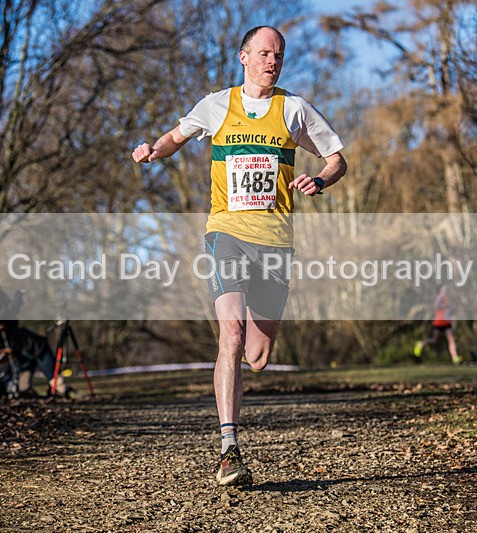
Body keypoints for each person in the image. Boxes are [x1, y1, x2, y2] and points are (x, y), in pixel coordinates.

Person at [132, 26, 346, 486]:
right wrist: (154, 151)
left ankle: (252, 349)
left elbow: (337, 158)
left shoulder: (294, 109)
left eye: (280, 55)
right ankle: (229, 448)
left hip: (275, 240)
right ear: (243, 57)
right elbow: (176, 135)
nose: (273, 61)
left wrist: (320, 180)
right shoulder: (216, 105)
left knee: (258, 355)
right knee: (230, 332)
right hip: (225, 232)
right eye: (265, 53)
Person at [0, 249, 73, 398]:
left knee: (29, 349)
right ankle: (59, 385)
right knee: (39, 344)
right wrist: (17, 301)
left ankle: (24, 388)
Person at [414, 284, 462, 365]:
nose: (446, 290)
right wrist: (444, 305)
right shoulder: (439, 297)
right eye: (444, 288)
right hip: (439, 321)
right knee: (434, 339)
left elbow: (450, 309)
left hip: (447, 322)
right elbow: (436, 307)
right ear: (440, 290)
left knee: (451, 339)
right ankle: (421, 343)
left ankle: (455, 358)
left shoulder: (447, 299)